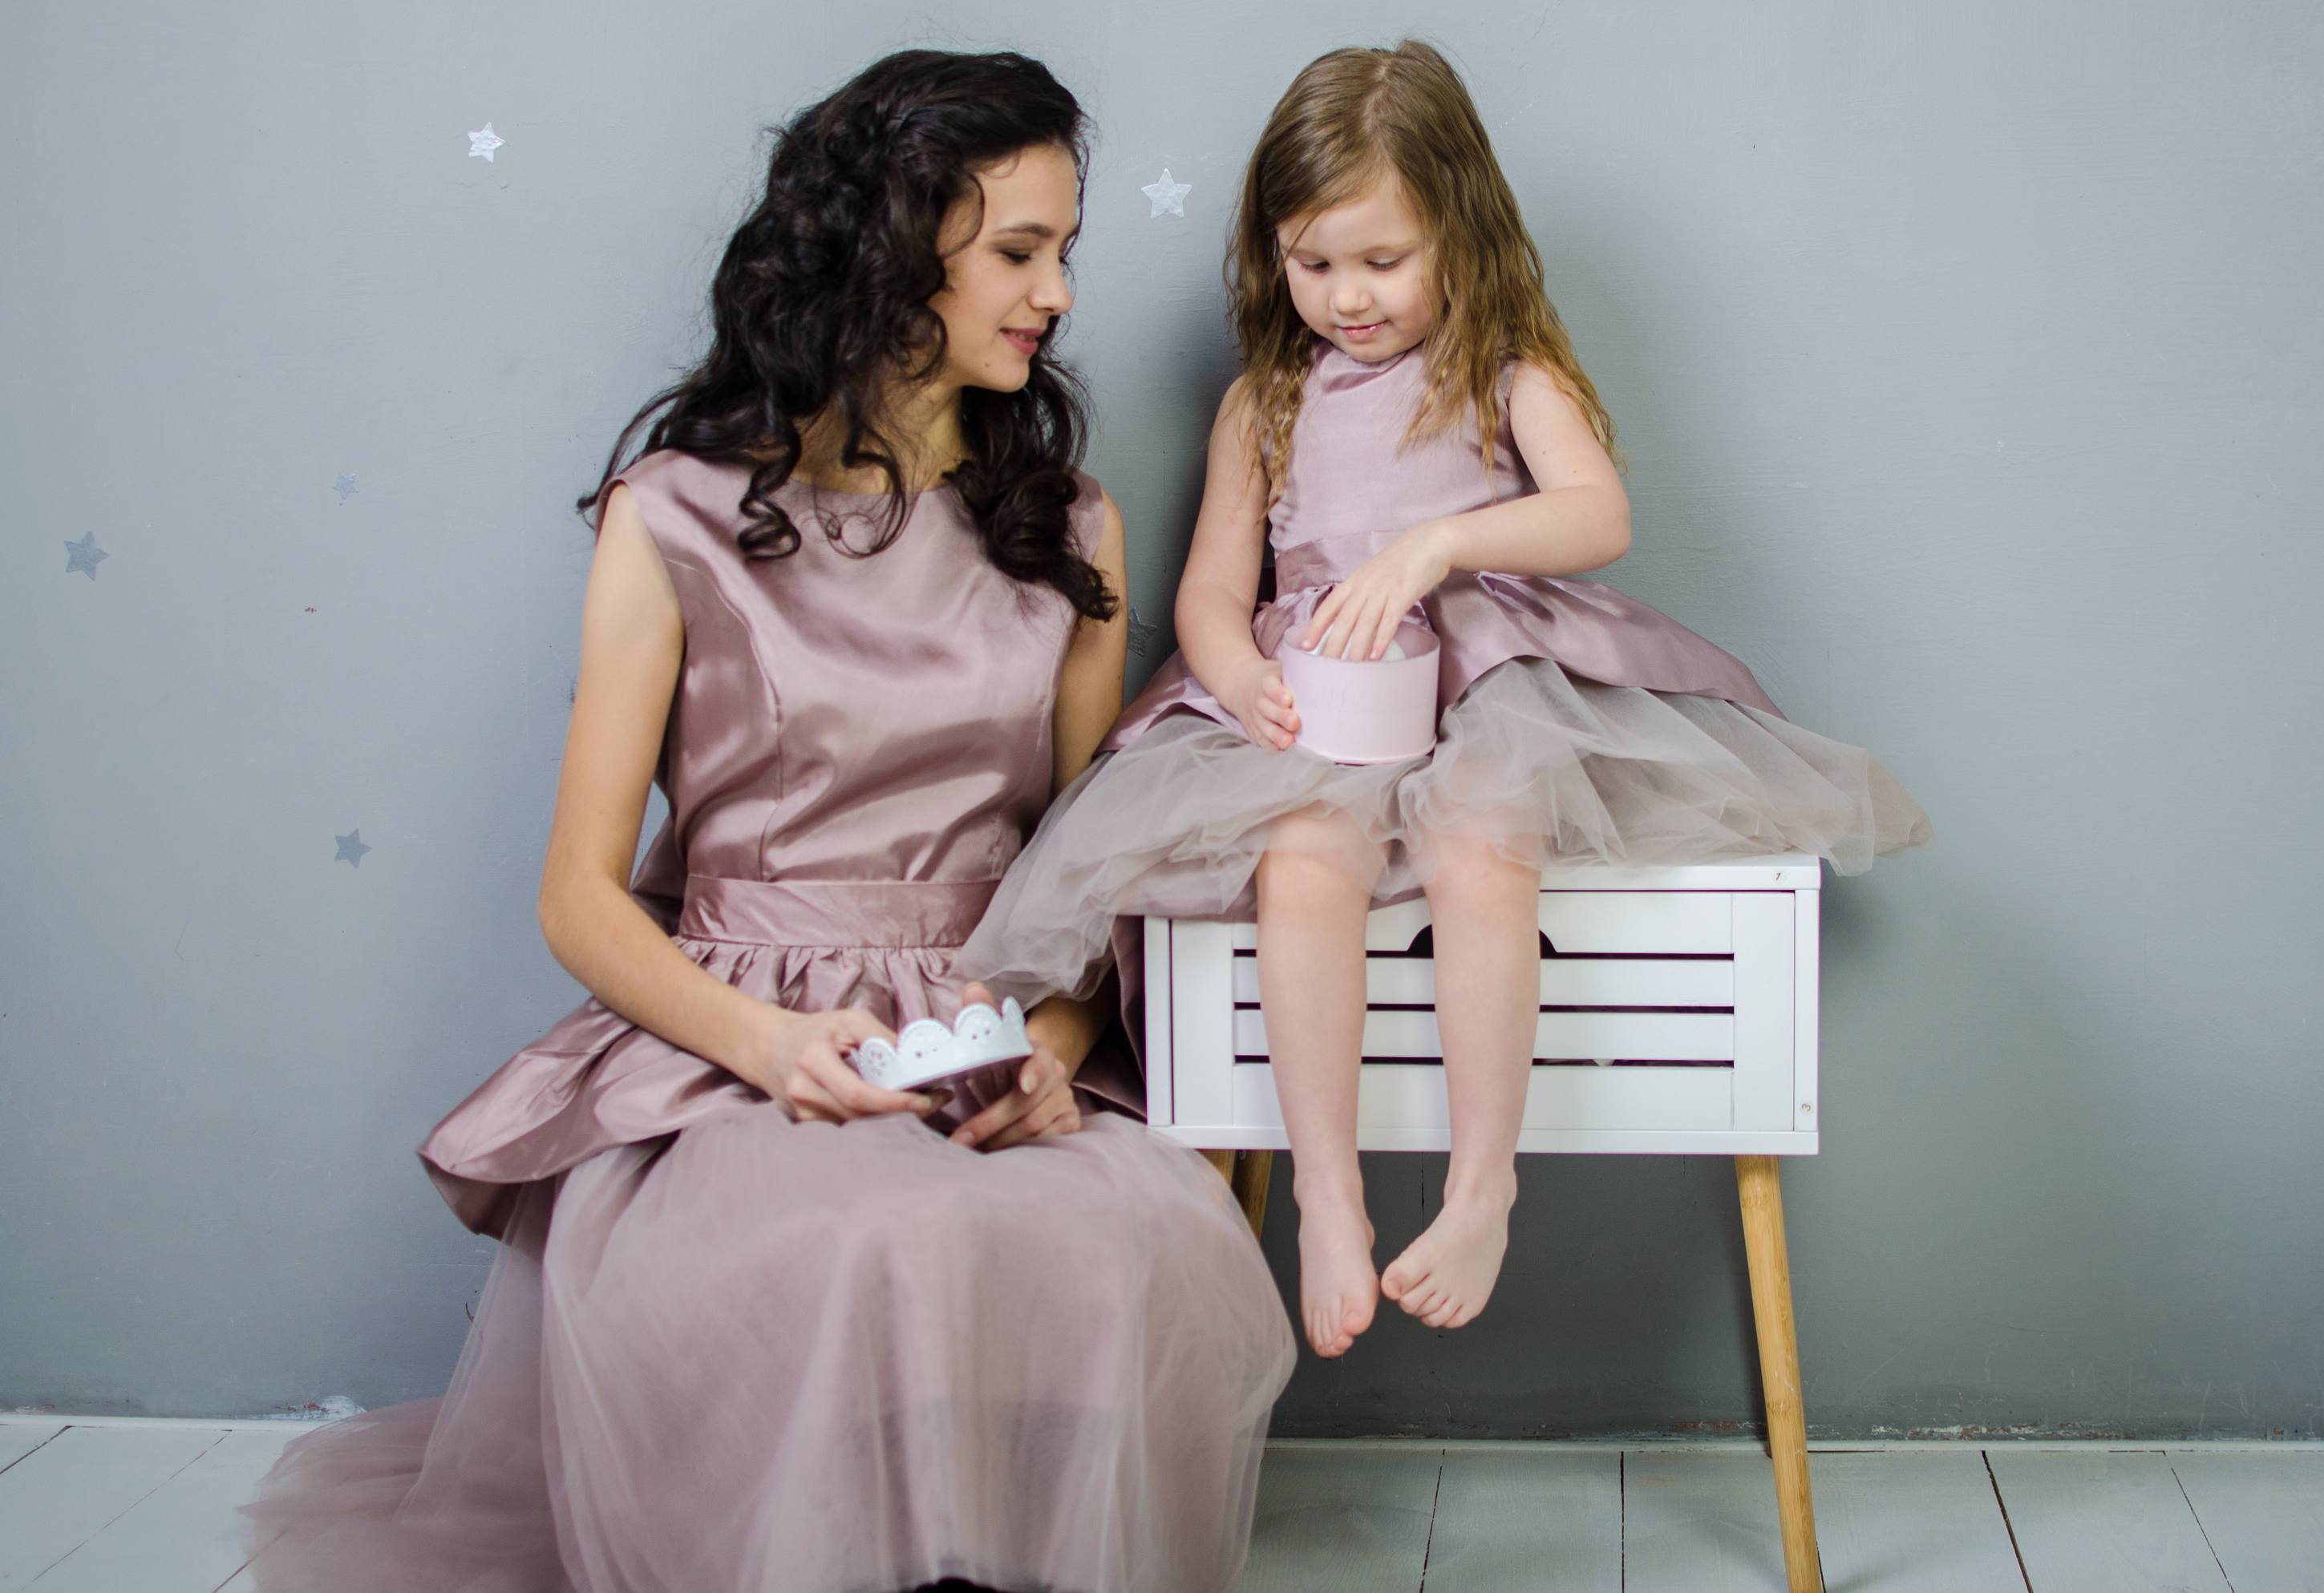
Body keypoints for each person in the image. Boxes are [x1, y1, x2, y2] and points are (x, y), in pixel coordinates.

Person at [243, 49, 1294, 1593]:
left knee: (1130, 1242)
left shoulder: (1070, 527)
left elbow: (1083, 878)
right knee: (863, 1240)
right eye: (1019, 251)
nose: (1058, 293)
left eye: (1067, 251)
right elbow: (582, 901)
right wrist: (773, 1049)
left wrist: (1053, 1060)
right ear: (890, 247)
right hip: (742, 1041)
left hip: (979, 1027)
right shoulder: (672, 514)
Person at [955, 38, 1931, 1361]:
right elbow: (1205, 593)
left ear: (1459, 236)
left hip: (1480, 686)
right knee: (1303, 860)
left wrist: (1437, 547)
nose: (1347, 297)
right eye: (1313, 263)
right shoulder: (1268, 401)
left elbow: (1598, 515)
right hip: (1321, 695)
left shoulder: (1506, 374)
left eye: (1382, 261)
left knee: (1484, 842)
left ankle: (1484, 1183)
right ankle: (1332, 1200)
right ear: (1274, 252)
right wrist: (1236, 668)